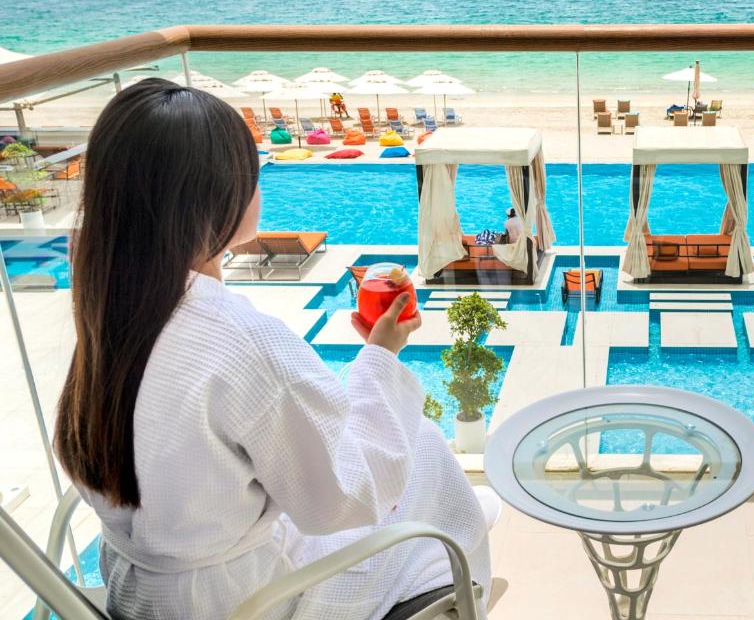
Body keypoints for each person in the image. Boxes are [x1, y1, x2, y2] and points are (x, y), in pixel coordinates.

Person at [54, 79, 491, 620]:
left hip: (141, 593)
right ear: (214, 198)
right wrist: (381, 356)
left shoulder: (109, 308)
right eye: (252, 171)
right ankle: (464, 587)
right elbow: (340, 500)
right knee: (424, 449)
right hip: (247, 602)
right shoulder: (240, 341)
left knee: (415, 448)